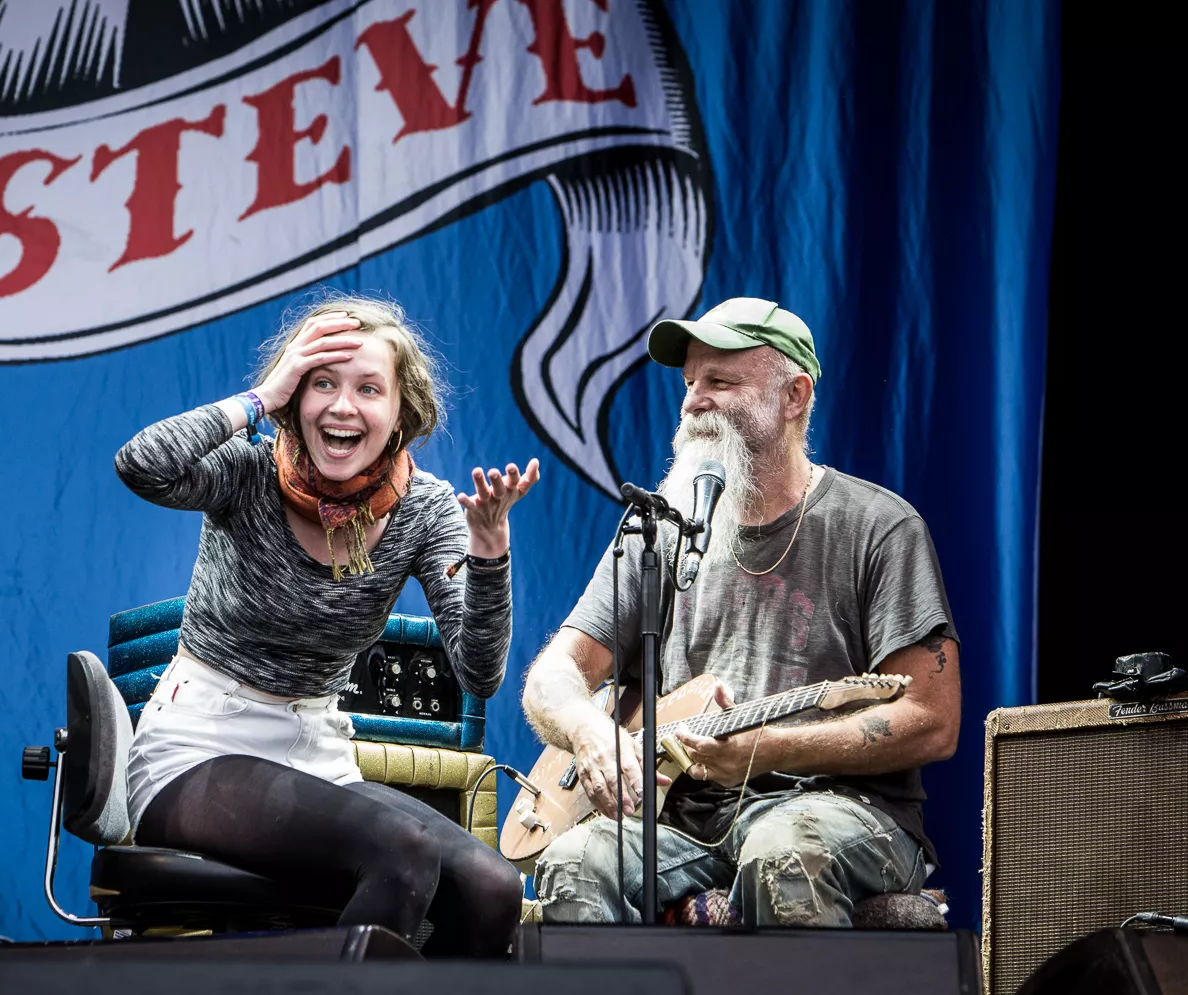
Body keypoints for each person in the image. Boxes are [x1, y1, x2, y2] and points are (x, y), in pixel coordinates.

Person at [113, 295, 538, 956]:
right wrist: (261, 395)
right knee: (403, 851)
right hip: (198, 745)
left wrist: (489, 556)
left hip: (315, 753)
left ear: (402, 413)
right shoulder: (246, 469)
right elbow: (142, 464)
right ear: (295, 399)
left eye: (369, 389)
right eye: (322, 384)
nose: (343, 406)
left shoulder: (427, 510)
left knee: (492, 887)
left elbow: (479, 671)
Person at [522, 297, 960, 926]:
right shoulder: (659, 531)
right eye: (689, 383)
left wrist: (769, 749)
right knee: (574, 861)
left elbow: (932, 717)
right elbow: (553, 675)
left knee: (784, 853)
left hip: (839, 809)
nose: (695, 400)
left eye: (721, 381)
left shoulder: (880, 527)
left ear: (795, 397)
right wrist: (591, 732)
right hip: (683, 820)